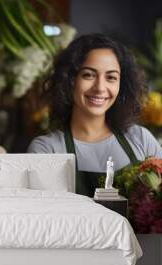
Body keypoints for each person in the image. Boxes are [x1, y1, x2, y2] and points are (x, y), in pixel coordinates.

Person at [27, 33, 162, 197]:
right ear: (70, 80)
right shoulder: (47, 149)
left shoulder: (141, 139)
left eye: (111, 77)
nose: (100, 87)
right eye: (88, 75)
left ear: (122, 85)